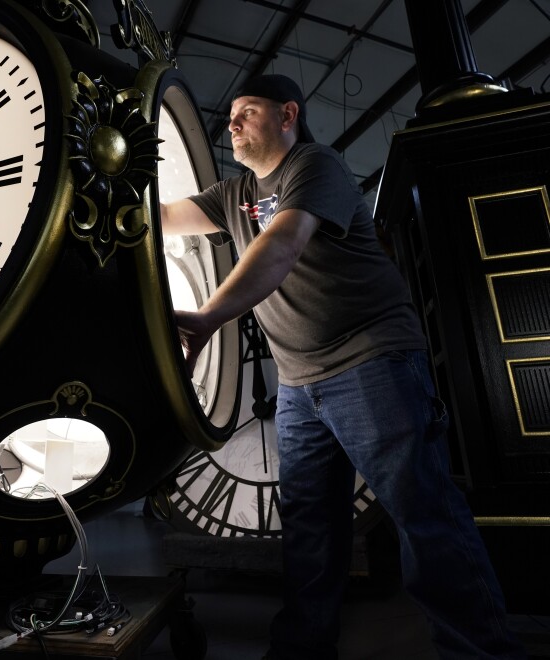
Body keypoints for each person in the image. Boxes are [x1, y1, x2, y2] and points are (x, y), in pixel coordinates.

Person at [160, 73, 526, 659]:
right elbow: (161, 218)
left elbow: (280, 246)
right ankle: (303, 649)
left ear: (287, 114)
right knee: (309, 529)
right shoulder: (231, 197)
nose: (232, 123)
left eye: (247, 111)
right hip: (300, 386)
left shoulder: (314, 165)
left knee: (421, 513)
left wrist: (205, 317)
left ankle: (483, 652)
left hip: (371, 361)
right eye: (230, 114)